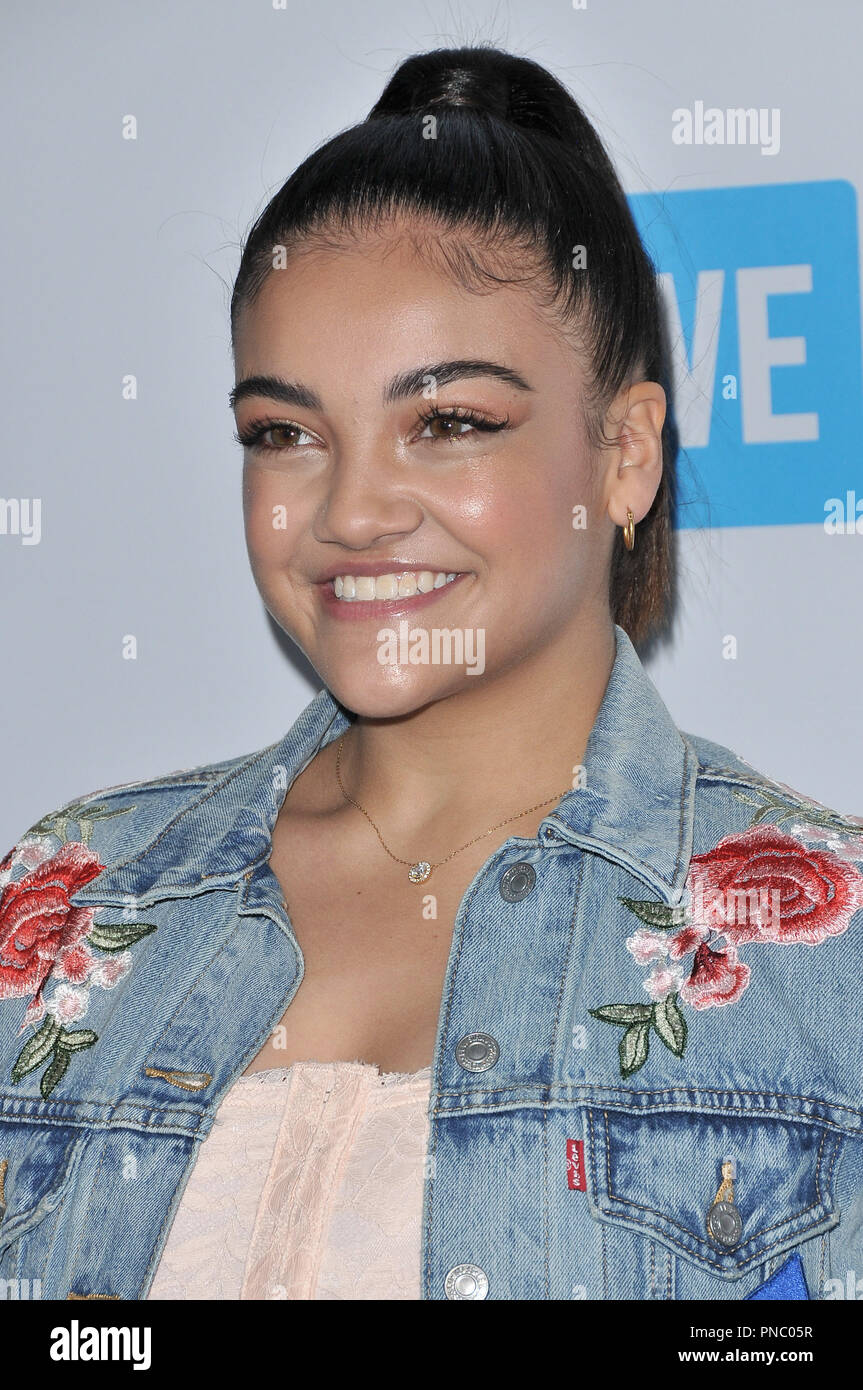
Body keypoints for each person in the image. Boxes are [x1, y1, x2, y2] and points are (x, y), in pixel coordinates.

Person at [1, 44, 861, 1303]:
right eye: (284, 434)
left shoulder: (824, 961)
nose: (350, 510)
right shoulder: (66, 899)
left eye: (447, 420)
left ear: (623, 454)